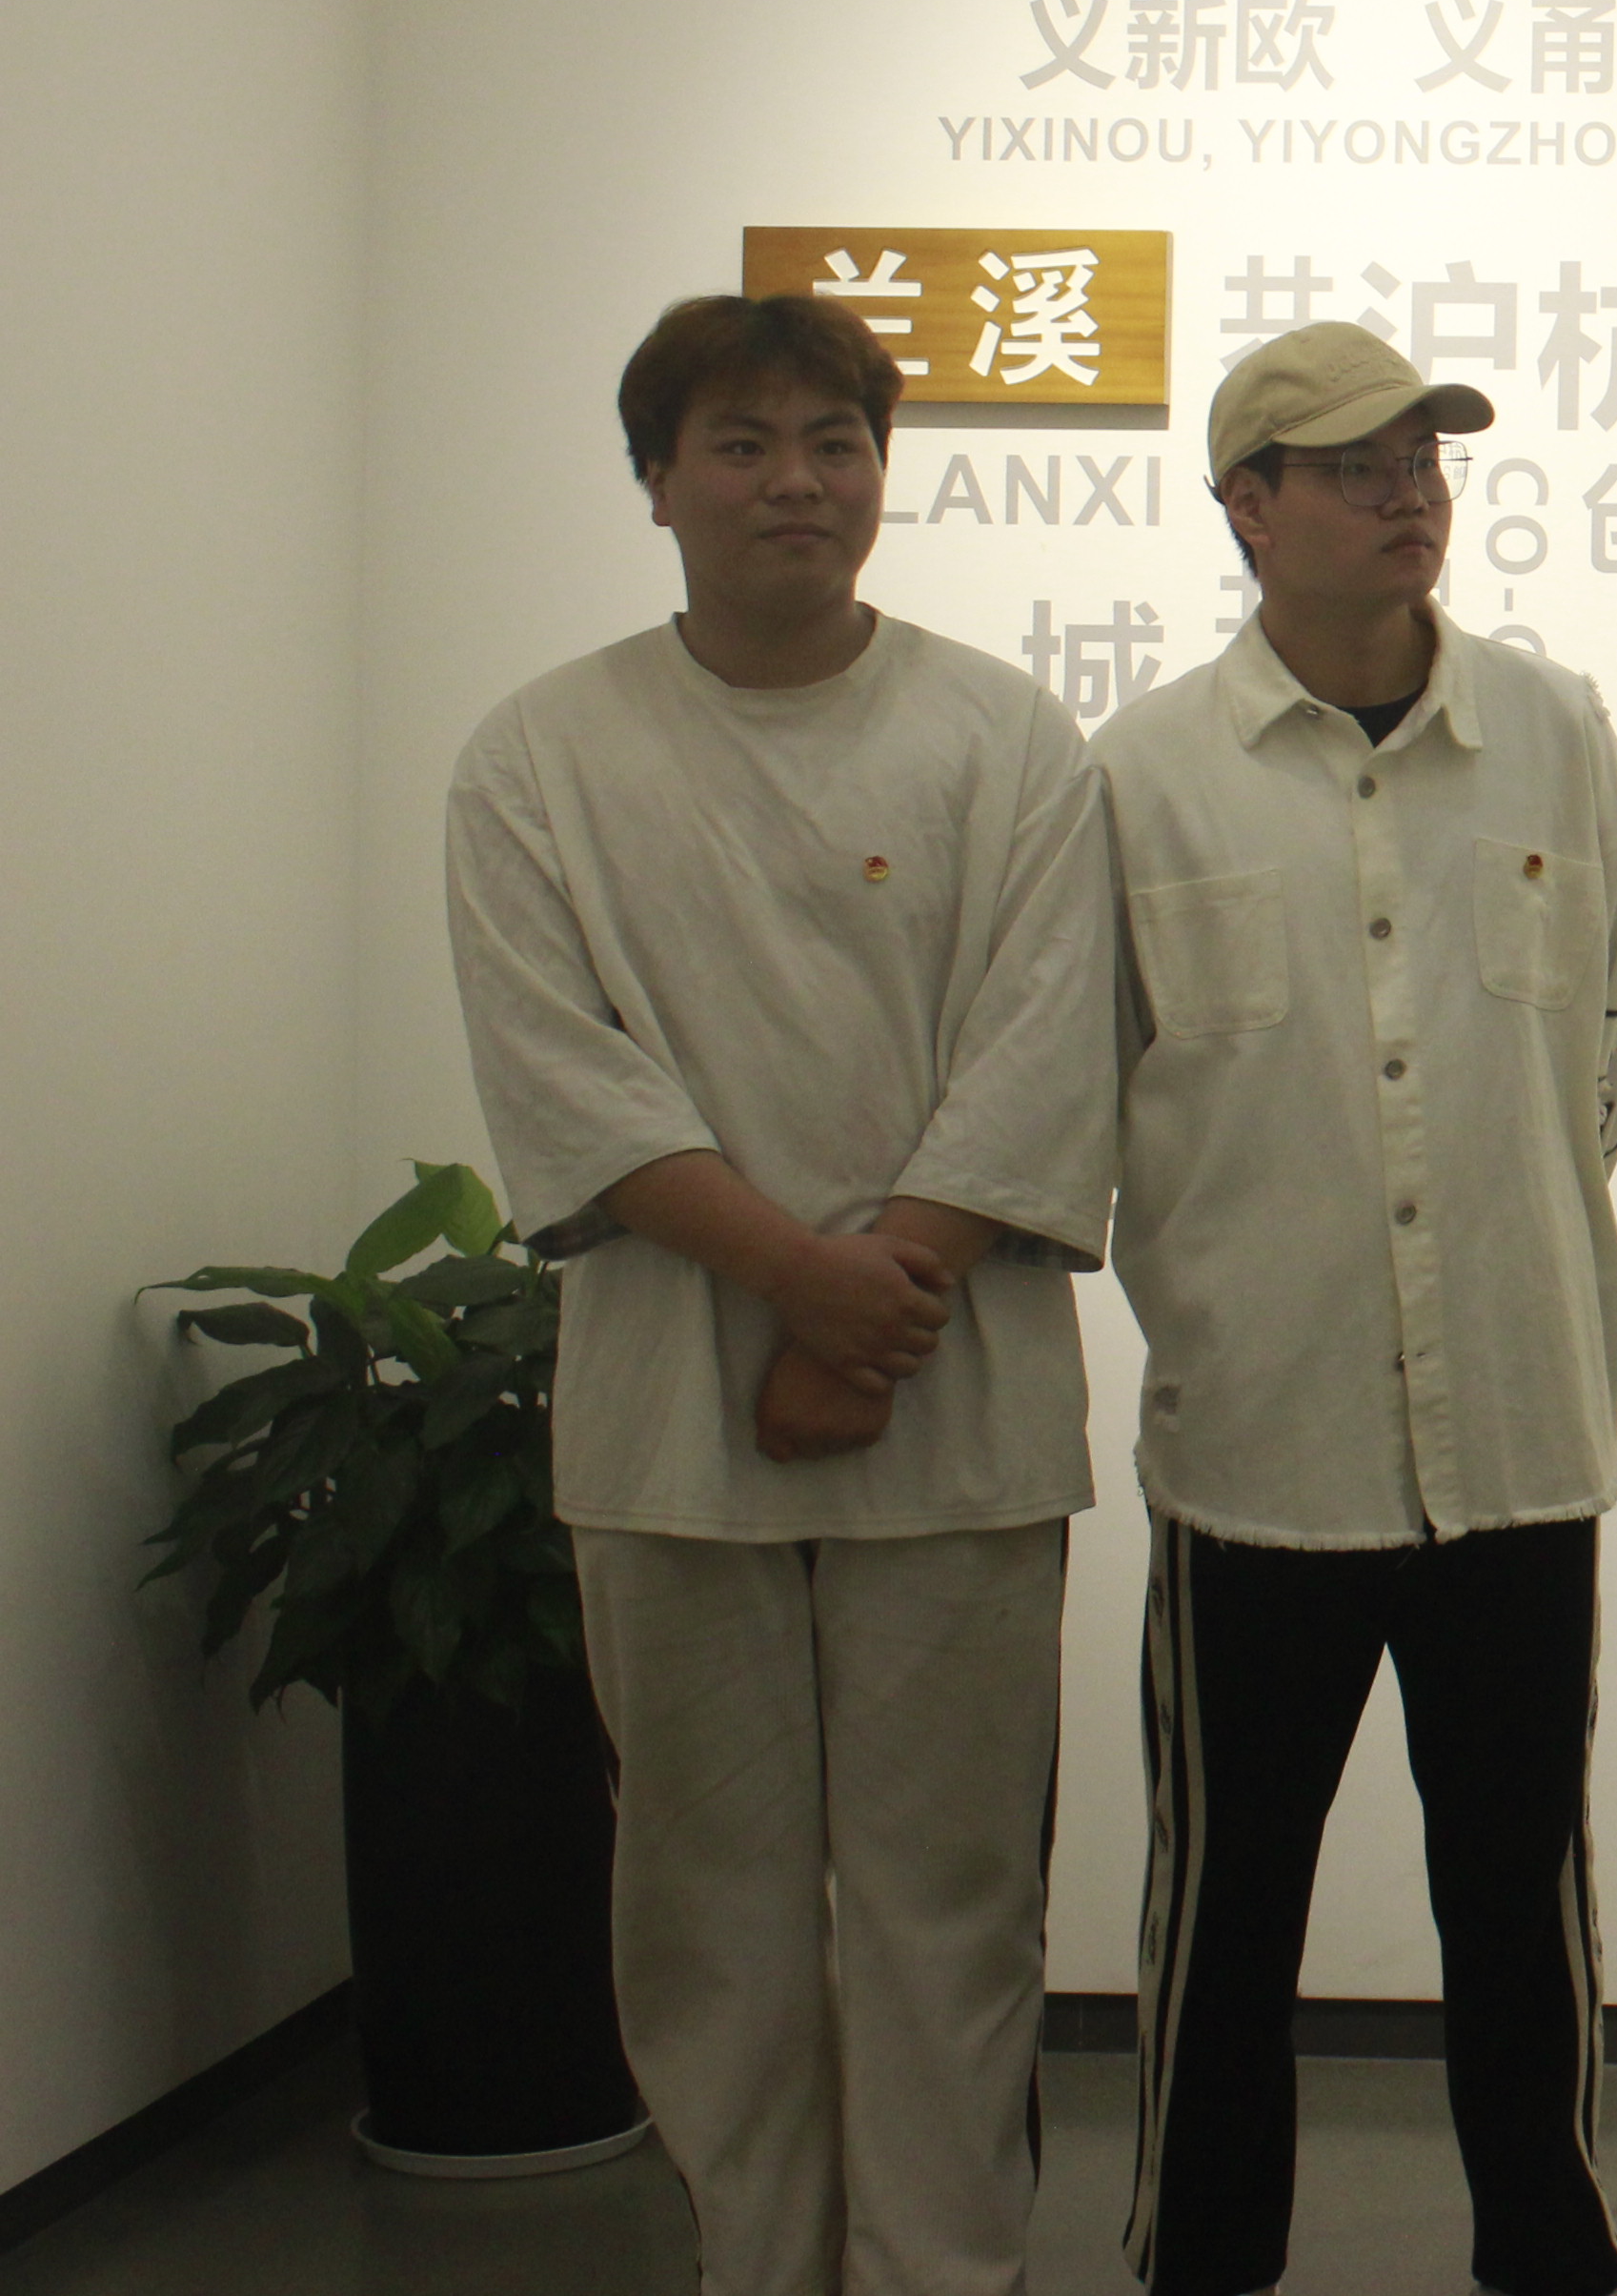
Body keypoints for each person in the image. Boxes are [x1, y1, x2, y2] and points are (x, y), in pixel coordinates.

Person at [444, 291, 1115, 2296]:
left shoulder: (1002, 734)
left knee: (952, 1909)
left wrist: (869, 1311)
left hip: (956, 1420)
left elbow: (1046, 1048)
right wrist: (809, 1287)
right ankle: (757, 2263)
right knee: (705, 1910)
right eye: (739, 444)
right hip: (672, 1427)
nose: (795, 483)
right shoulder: (541, 754)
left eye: (835, 442)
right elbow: (564, 1076)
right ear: (655, 482)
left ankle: (941, 2273)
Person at [1096, 323, 1617, 2296]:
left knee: (1521, 1897)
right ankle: (1202, 2262)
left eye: (1425, 454)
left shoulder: (1555, 733)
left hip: (1516, 1430)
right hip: (1263, 1448)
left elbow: (1606, 1042)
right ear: (1247, 505)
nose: (1409, 490)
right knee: (1227, 1911)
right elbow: (1099, 1090)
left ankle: (1552, 2255)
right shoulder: (1143, 776)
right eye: (1355, 464)